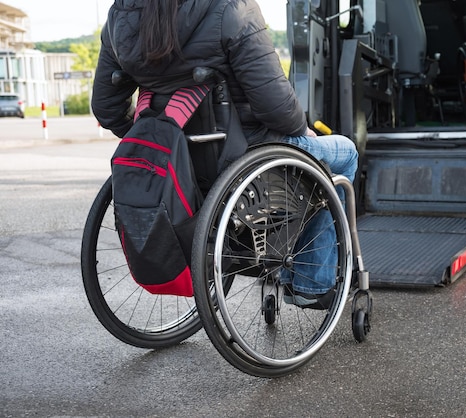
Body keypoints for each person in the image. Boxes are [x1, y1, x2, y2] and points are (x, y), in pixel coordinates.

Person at [91, 0, 358, 309]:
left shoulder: (121, 14)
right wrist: (302, 129)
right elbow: (276, 106)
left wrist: (164, 140)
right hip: (247, 152)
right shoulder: (232, 8)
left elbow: (106, 108)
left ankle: (294, 267)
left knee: (311, 163)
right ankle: (312, 281)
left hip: (179, 165)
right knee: (344, 155)